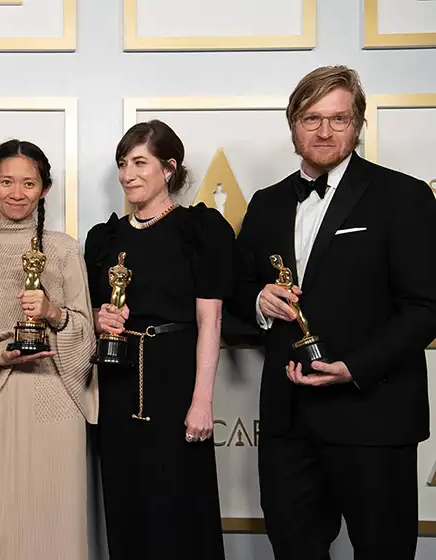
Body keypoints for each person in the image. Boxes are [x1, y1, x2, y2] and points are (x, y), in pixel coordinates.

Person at [229, 66, 436, 559]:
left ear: (359, 124)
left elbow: (426, 305)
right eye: (311, 118)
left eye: (338, 119)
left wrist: (356, 368)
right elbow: (235, 290)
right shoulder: (266, 203)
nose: (324, 131)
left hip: (374, 414)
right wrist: (258, 301)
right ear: (293, 125)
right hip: (288, 422)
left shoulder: (404, 196)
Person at [84, 120, 232, 559]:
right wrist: (99, 316)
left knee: (179, 505)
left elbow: (212, 319)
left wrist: (202, 400)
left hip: (174, 380)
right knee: (125, 503)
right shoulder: (104, 238)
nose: (127, 173)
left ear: (169, 168)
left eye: (139, 162)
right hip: (116, 382)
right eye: (122, 163)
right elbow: (86, 313)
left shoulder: (200, 229)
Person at [0, 139, 97, 560]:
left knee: (58, 528)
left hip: (56, 400)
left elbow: (85, 333)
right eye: (6, 181)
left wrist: (54, 313)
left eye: (28, 183)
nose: (16, 193)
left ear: (45, 189)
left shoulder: (64, 248)